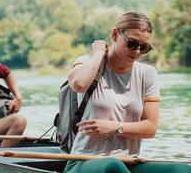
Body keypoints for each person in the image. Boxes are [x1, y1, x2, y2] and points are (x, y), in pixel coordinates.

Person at [64, 12, 191, 173]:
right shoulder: (88, 62)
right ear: (115, 34)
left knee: (182, 169)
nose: (137, 51)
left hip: (129, 163)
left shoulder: (148, 74)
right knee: (112, 166)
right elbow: (78, 84)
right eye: (132, 44)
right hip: (84, 162)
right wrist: (98, 53)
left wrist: (113, 127)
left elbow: (150, 128)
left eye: (144, 47)